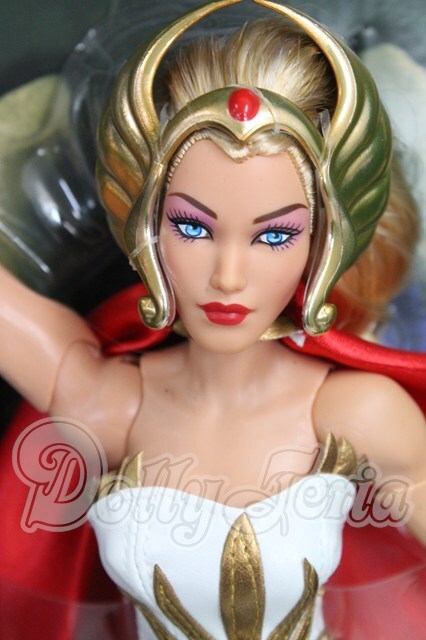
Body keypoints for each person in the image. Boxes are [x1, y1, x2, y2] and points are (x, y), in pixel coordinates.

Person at [0, 1, 425, 638]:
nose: (228, 276)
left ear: (324, 242)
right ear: (147, 225)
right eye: (192, 227)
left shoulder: (354, 413)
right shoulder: (117, 405)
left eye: (275, 236)